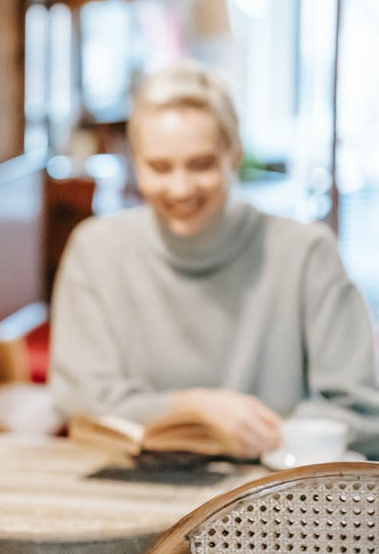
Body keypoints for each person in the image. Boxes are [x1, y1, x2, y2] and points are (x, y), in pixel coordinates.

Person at [50, 61, 379, 460]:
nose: (181, 187)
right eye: (159, 167)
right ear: (135, 163)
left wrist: (262, 435)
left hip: (273, 497)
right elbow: (80, 401)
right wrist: (194, 408)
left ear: (233, 154)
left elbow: (362, 412)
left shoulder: (307, 253)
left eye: (201, 164)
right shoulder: (95, 249)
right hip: (135, 489)